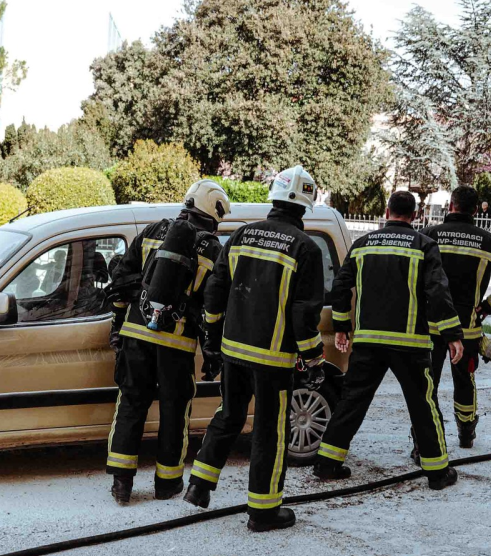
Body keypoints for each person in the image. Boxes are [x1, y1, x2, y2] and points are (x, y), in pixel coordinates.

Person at [182, 165, 326, 532]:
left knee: (229, 415)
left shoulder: (242, 235)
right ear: (305, 205)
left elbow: (215, 290)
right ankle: (263, 511)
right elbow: (303, 314)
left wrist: (212, 336)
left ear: (274, 198)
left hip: (233, 351)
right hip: (273, 361)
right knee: (269, 432)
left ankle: (199, 485)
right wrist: (314, 358)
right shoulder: (305, 248)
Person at [313, 191, 464, 490]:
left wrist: (342, 327)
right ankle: (437, 473)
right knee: (423, 406)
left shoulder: (362, 244)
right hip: (410, 344)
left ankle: (327, 463)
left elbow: (340, 286)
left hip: (368, 341)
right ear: (415, 215)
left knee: (351, 401)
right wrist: (452, 335)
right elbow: (438, 292)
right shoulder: (424, 245)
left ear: (386, 211)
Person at [103, 180, 231, 504]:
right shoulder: (213, 250)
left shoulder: (152, 231)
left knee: (131, 404)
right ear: (213, 214)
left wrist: (117, 324)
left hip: (136, 334)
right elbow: (213, 306)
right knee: (175, 411)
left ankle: (121, 483)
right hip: (176, 345)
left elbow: (121, 280)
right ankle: (168, 482)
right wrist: (212, 350)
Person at [419, 185, 491, 448]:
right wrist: (488, 306)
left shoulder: (428, 235)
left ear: (450, 206)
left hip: (430, 326)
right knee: (465, 380)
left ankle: (422, 441)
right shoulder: (488, 241)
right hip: (467, 329)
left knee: (426, 384)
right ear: (476, 210)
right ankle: (466, 432)